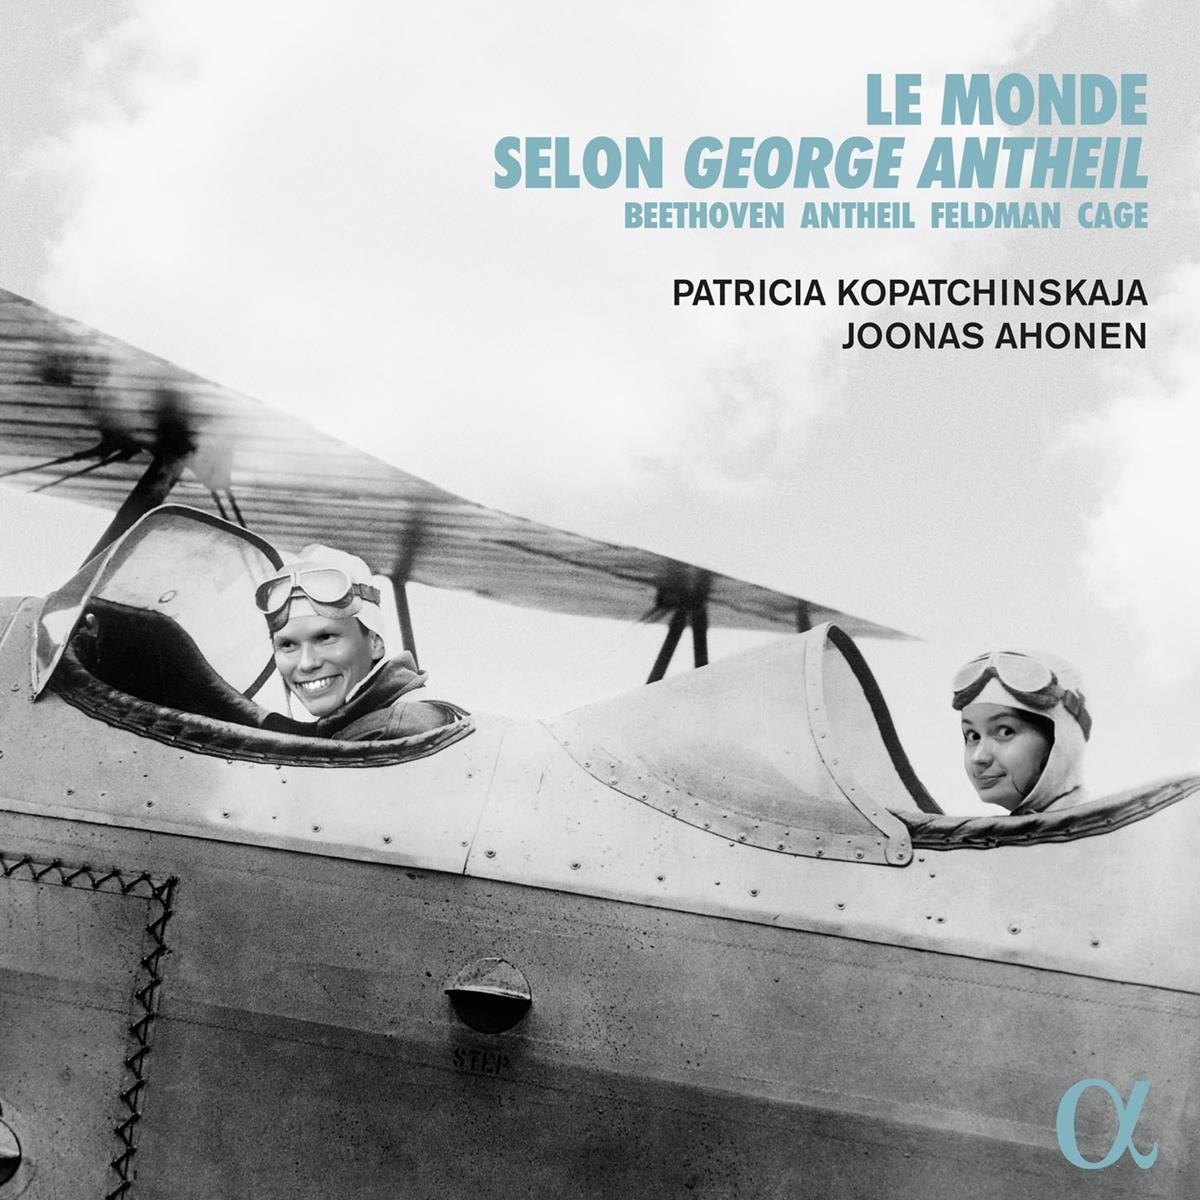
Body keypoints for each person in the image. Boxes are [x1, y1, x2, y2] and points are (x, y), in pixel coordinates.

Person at [254, 544, 457, 740]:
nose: (306, 663)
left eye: (325, 638)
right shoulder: (355, 727)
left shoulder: (395, 732)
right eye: (287, 645)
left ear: (375, 642)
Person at [951, 649, 1091, 814]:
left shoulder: (1100, 827)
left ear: (1062, 738)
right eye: (973, 736)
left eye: (1005, 732)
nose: (979, 758)